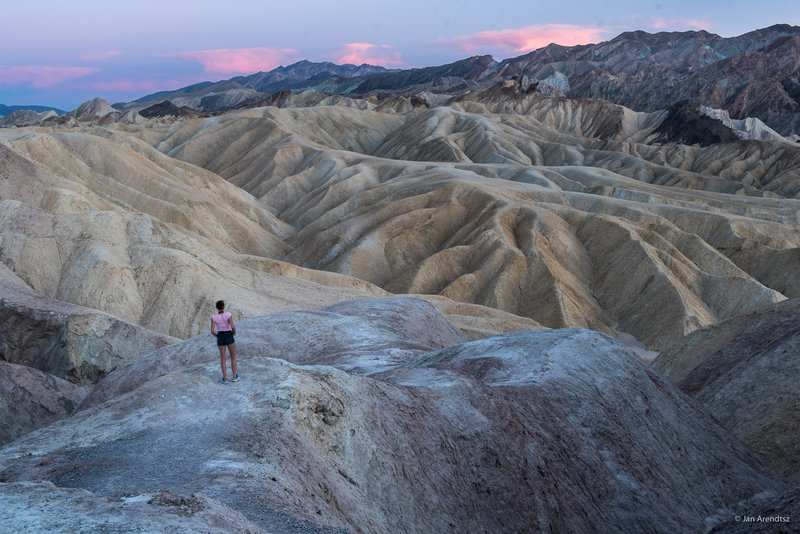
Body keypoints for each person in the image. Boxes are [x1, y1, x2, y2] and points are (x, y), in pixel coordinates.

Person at [211, 300, 239, 384]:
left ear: (216, 307)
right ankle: (234, 376)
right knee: (233, 356)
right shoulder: (228, 314)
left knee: (223, 358)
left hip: (220, 336)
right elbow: (232, 326)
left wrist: (217, 336)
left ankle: (225, 378)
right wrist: (233, 332)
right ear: (223, 307)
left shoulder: (214, 317)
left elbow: (212, 330)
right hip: (228, 334)